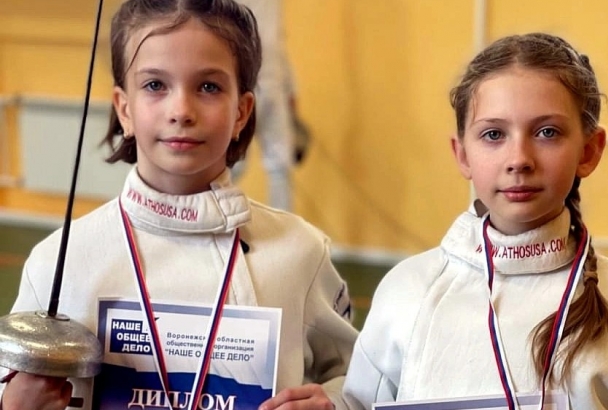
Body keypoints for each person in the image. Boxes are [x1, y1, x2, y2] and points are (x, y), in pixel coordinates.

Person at [0, 1, 357, 409]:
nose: (181, 111)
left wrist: (333, 403)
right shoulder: (56, 262)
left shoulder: (300, 253)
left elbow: (359, 383)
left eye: (208, 87)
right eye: (155, 85)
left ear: (242, 112)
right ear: (124, 109)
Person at [342, 33, 608, 409]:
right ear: (462, 154)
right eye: (493, 134)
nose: (519, 159)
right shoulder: (405, 294)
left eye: (547, 132)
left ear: (589, 151)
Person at [231, 0, 298, 212]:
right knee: (231, 165)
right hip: (241, 88)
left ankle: (285, 227)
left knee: (281, 165)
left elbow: (277, 41)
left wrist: (291, 89)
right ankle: (214, 221)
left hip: (273, 87)